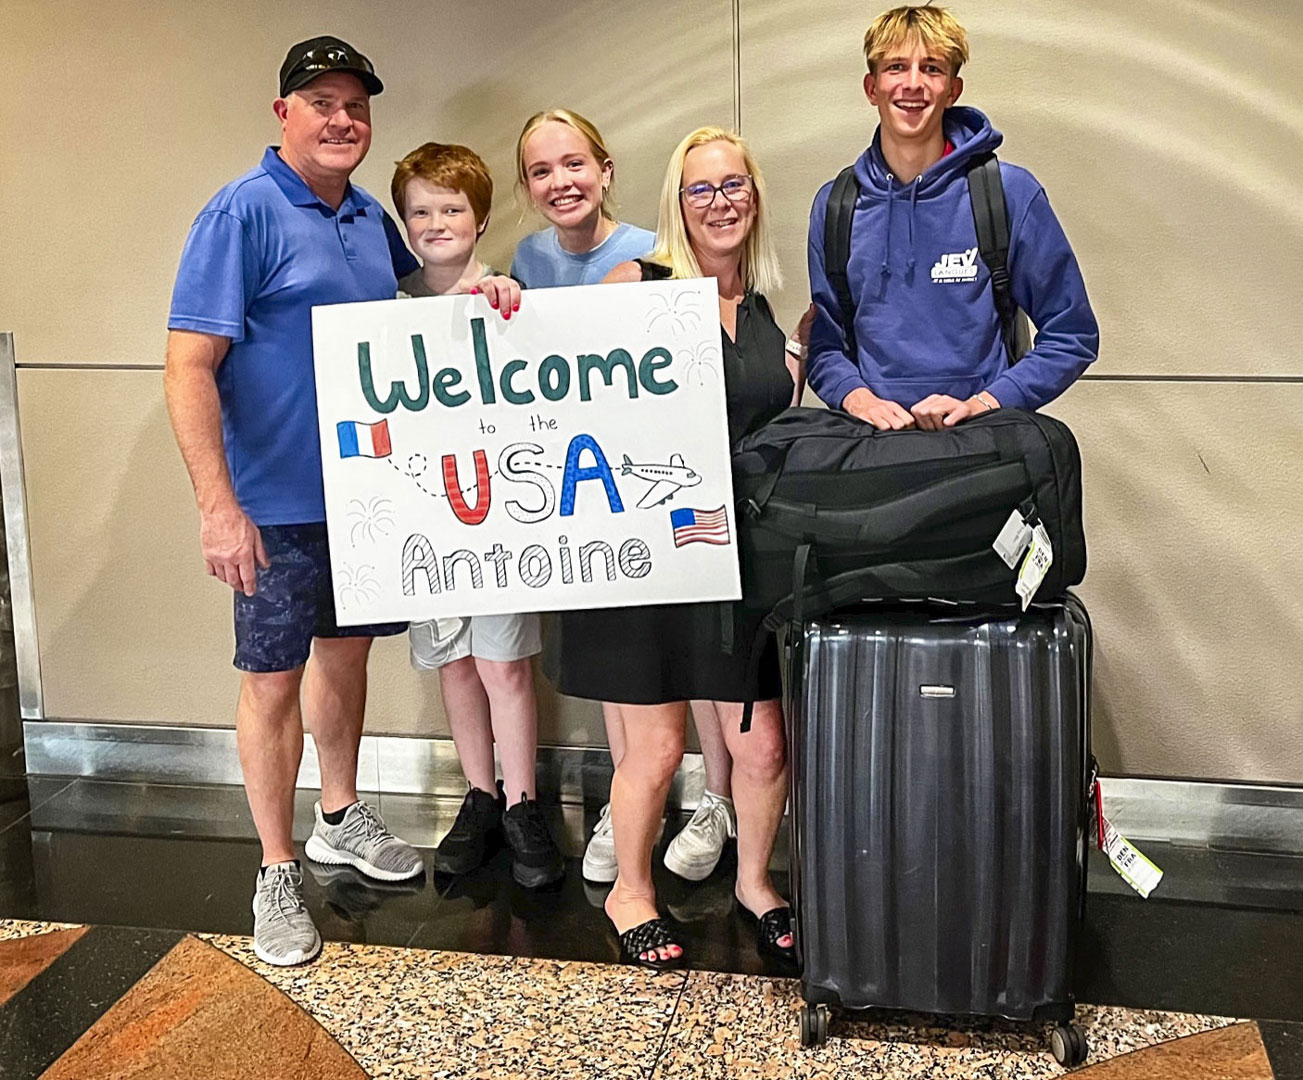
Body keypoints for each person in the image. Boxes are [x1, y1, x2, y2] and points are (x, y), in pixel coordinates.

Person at [164, 37, 424, 967]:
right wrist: (217, 506)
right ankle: (276, 867)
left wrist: (486, 294)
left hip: (366, 496)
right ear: (284, 114)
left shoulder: (367, 220)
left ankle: (339, 813)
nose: (342, 119)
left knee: (344, 655)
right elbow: (190, 366)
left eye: (356, 105)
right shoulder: (240, 213)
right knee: (270, 678)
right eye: (322, 101)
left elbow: (419, 314)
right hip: (271, 503)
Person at [549, 127, 806, 969]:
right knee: (656, 749)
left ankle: (756, 883)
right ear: (677, 204)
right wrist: (498, 302)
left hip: (742, 565)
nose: (720, 201)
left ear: (755, 198)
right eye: (701, 189)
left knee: (763, 744)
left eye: (734, 185)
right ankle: (631, 892)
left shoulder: (770, 315)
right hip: (651, 557)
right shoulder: (638, 284)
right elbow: (553, 376)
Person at [510, 110, 742, 886]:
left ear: (605, 170)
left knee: (692, 657)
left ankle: (714, 797)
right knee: (623, 666)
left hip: (661, 485)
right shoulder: (527, 257)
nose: (560, 182)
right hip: (586, 494)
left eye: (573, 164)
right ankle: (627, 801)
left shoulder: (653, 254)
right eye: (541, 171)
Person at [389, 142, 563, 889]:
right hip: (425, 519)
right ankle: (480, 795)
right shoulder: (386, 305)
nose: (437, 222)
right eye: (421, 211)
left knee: (503, 662)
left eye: (452, 208)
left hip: (499, 518)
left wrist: (503, 306)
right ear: (402, 221)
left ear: (480, 216)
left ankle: (524, 802)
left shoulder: (507, 295)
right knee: (453, 663)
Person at [806, 4, 1098, 428]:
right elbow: (826, 344)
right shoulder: (836, 206)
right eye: (896, 67)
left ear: (953, 90)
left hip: (982, 448)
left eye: (931, 69)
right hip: (875, 453)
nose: (912, 84)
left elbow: (1072, 333)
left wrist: (987, 402)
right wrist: (857, 398)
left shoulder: (1007, 194)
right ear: (871, 88)